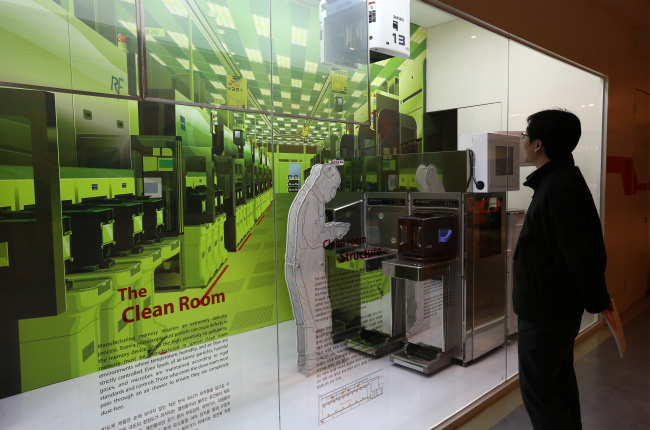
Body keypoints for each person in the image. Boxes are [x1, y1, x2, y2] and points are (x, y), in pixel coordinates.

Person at [513, 108, 612, 430]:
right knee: (558, 385)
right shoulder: (559, 180)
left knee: (541, 394)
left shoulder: (558, 189)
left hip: (546, 313)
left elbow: (579, 253)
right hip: (553, 308)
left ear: (538, 144)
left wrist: (599, 300)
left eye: (525, 137)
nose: (523, 142)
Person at [285, 164, 349, 375]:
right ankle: (315, 361)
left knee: (304, 319)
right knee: (316, 317)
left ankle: (307, 359)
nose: (333, 193)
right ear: (322, 182)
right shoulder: (312, 202)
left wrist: (330, 228)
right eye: (332, 188)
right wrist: (336, 231)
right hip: (307, 270)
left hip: (298, 267)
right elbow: (314, 238)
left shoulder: (306, 198)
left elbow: (312, 231)